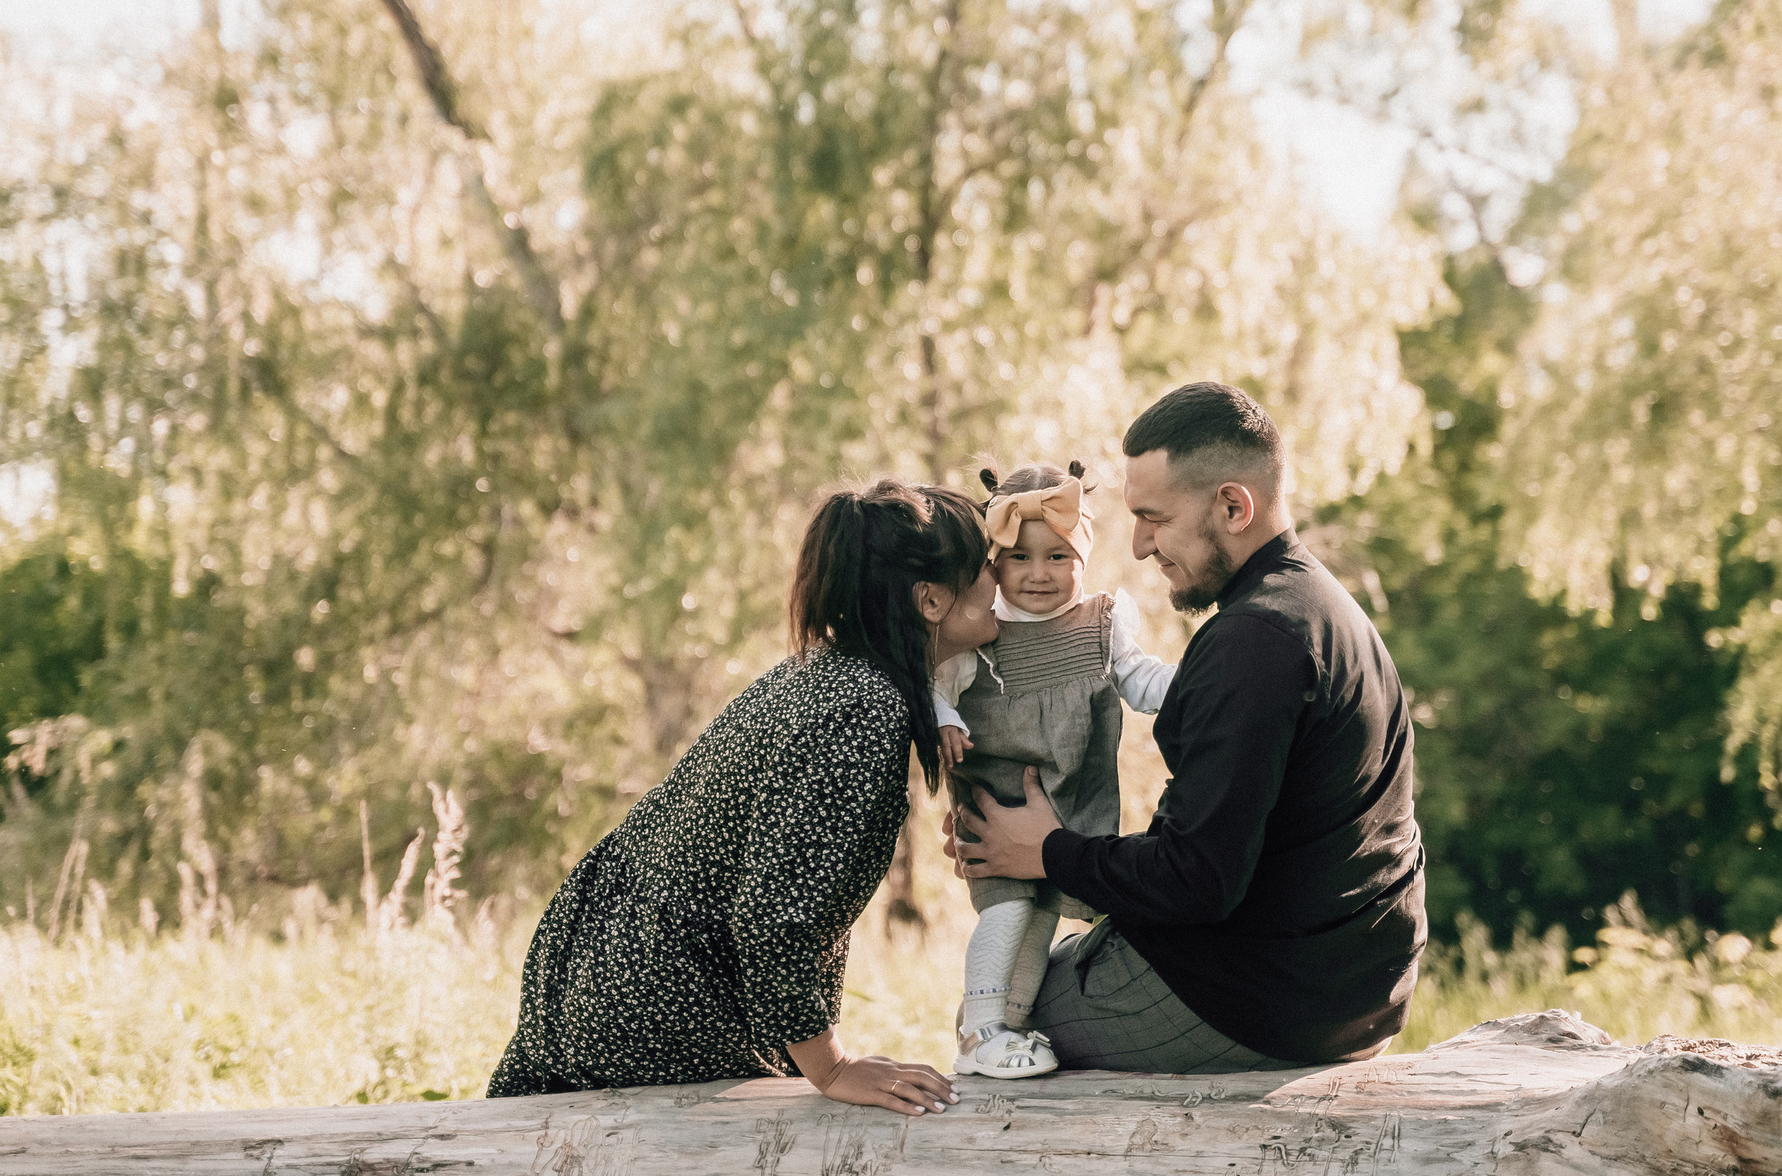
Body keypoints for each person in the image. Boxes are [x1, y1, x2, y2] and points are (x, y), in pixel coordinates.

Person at [945, 382, 1427, 1072]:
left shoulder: (1252, 644)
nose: (1140, 545)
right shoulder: (1318, 603)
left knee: (999, 1018)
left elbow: (1196, 880)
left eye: (1154, 518)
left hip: (1261, 998)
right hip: (1359, 985)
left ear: (1232, 506)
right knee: (1022, 972)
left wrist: (1047, 851)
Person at [487, 479, 988, 1116]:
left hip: (610, 977)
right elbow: (773, 915)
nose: (1001, 577)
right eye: (986, 567)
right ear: (932, 600)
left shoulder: (827, 674)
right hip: (654, 1008)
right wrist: (832, 1068)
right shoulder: (860, 712)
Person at [934, 461, 1176, 1079]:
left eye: (1057, 557)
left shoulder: (1101, 624)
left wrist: (1200, 681)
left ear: (1082, 557)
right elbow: (932, 688)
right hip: (998, 809)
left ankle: (1005, 1027)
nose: (1038, 573)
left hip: (1072, 809)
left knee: (1040, 921)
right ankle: (979, 1029)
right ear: (994, 564)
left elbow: (1141, 681)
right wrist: (943, 719)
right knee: (1008, 911)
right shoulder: (981, 635)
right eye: (1019, 557)